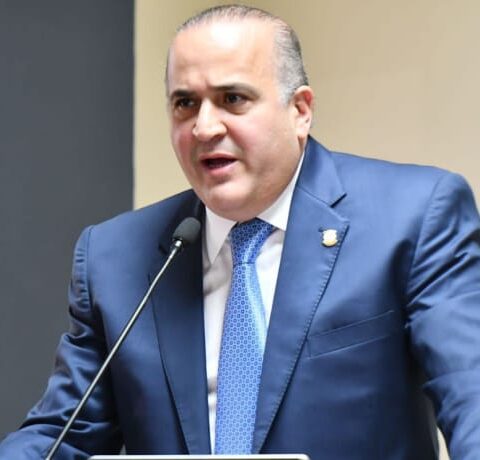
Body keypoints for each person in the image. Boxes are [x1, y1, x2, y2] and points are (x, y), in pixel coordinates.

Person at [1, 4, 479, 459]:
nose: (204, 128)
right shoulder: (115, 257)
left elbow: (470, 395)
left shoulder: (413, 217)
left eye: (232, 99)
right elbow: (64, 434)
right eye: (185, 103)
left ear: (300, 110)